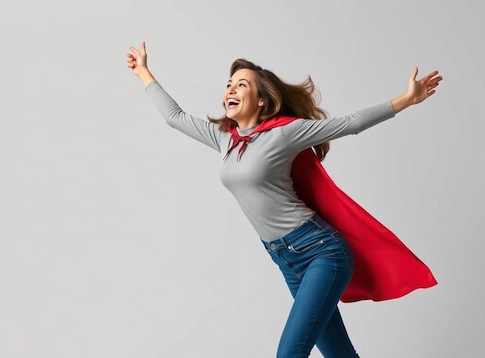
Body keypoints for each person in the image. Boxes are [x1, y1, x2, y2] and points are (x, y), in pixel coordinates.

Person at [126, 41, 442, 358]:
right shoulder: (224, 140)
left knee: (289, 354)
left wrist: (407, 99)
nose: (231, 90)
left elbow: (349, 124)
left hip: (321, 253)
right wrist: (143, 71)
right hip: (286, 260)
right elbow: (174, 116)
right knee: (340, 355)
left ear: (261, 100)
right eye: (229, 85)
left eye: (242, 84)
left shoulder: (283, 134)